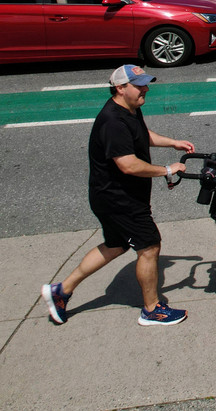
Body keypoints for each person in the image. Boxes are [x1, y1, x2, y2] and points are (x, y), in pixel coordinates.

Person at [41, 65, 196, 326]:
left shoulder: (130, 109)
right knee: (149, 246)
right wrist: (167, 169)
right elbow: (128, 164)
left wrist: (172, 142)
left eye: (145, 84)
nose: (145, 89)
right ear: (120, 88)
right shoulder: (112, 121)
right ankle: (151, 310)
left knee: (115, 245)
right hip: (119, 200)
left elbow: (140, 136)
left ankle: (61, 291)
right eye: (139, 85)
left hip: (111, 197)